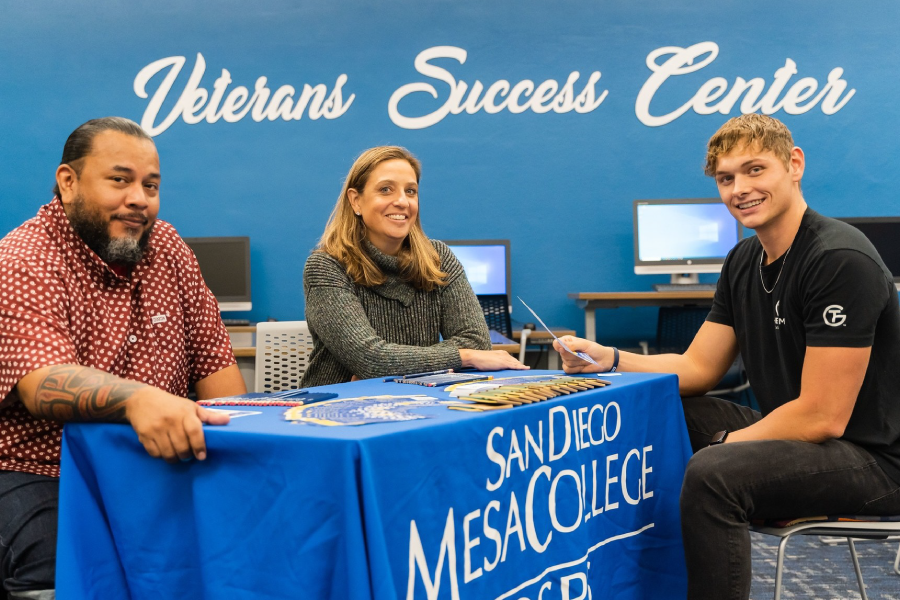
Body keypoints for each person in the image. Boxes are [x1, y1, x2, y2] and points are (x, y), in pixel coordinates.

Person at [553, 113, 900, 599]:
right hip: (804, 438)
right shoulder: (742, 261)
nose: (740, 188)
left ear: (793, 164)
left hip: (875, 462)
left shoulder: (839, 258)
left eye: (755, 170)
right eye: (726, 178)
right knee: (656, 410)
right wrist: (608, 357)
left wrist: (725, 443)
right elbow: (697, 370)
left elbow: (823, 417)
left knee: (713, 474)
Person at [0, 117, 247, 598]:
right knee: (64, 569)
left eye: (150, 185)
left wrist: (240, 450)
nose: (139, 198)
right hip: (42, 469)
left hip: (157, 462)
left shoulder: (169, 247)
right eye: (120, 180)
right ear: (68, 183)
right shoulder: (21, 259)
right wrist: (138, 400)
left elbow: (217, 370)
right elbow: (41, 381)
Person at [301, 146, 527, 387]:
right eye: (385, 189)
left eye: (411, 191)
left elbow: (476, 341)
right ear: (356, 201)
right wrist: (464, 356)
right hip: (333, 411)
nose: (401, 201)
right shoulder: (326, 266)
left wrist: (394, 367)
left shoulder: (438, 257)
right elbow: (369, 359)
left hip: (420, 403)